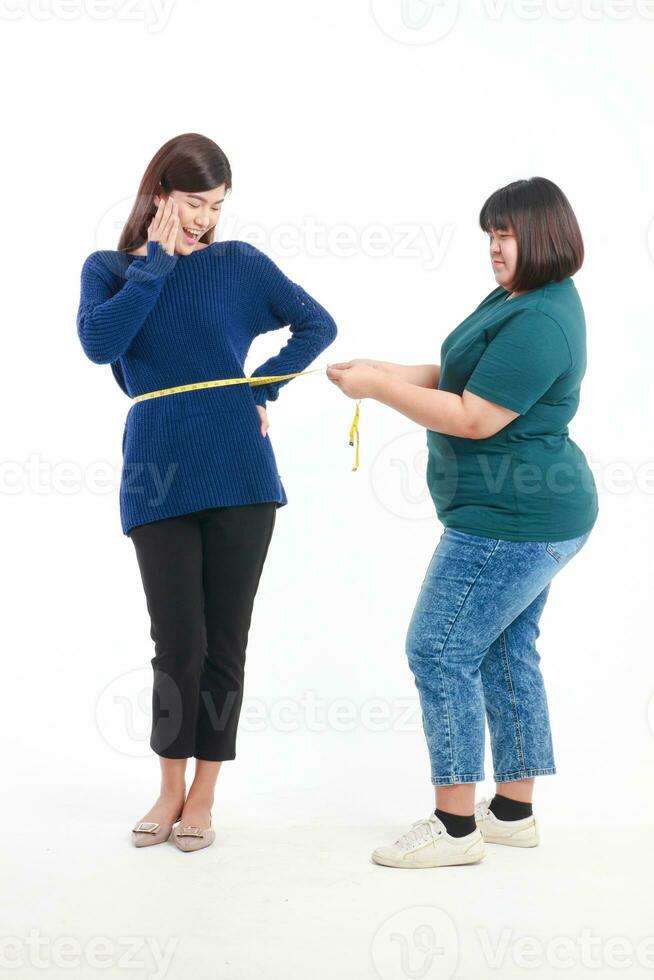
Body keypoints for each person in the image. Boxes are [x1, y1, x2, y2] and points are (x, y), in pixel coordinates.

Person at [327, 176, 598, 869]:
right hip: (528, 512)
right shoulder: (522, 299)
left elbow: (476, 418)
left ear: (541, 235)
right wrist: (387, 368)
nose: (494, 248)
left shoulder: (540, 319)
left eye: (504, 235)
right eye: (490, 235)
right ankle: (510, 811)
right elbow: (464, 375)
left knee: (440, 651)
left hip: (513, 518)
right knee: (506, 652)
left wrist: (380, 391)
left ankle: (454, 829)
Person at [77, 133, 337, 852]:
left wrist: (266, 385)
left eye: (216, 205)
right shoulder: (110, 271)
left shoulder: (240, 265)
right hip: (155, 471)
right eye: (193, 203)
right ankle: (166, 787)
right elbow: (101, 344)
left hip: (240, 472)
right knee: (176, 642)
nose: (203, 218)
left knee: (224, 641)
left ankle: (204, 796)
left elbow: (319, 323)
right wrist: (155, 266)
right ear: (159, 194)